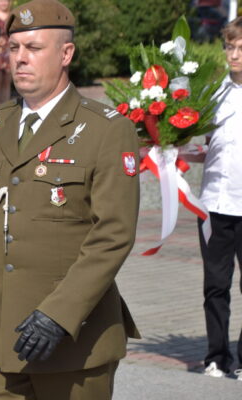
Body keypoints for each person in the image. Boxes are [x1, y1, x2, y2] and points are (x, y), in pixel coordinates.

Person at [0, 1, 140, 398]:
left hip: (73, 345)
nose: (20, 59)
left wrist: (59, 315)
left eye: (33, 48)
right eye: (14, 49)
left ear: (66, 54)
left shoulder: (105, 130)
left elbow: (113, 235)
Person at [198, 16, 242, 380]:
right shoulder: (214, 94)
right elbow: (206, 146)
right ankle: (216, 354)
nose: (235, 54)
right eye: (230, 46)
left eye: (241, 48)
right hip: (213, 203)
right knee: (216, 283)